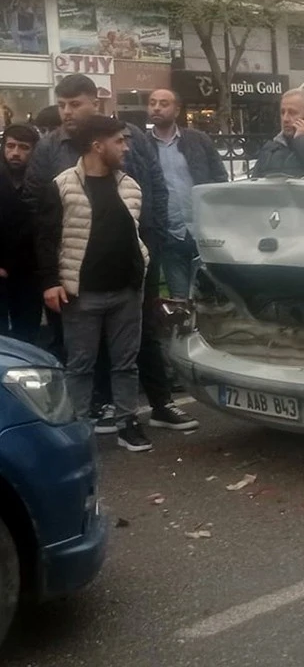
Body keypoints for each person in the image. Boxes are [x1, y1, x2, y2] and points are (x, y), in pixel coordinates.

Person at [25, 74, 193, 435]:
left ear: (95, 102)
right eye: (63, 104)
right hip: (77, 272)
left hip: (133, 262)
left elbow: (154, 190)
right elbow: (38, 211)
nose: (67, 112)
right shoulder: (51, 148)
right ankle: (91, 413)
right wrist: (51, 276)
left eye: (76, 104)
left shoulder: (130, 137)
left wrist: (152, 244)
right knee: (82, 352)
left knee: (139, 339)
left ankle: (159, 404)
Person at [34, 116, 152, 452]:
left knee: (126, 364)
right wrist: (50, 282)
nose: (126, 147)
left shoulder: (130, 185)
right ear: (98, 145)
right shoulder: (62, 186)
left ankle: (128, 424)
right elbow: (46, 239)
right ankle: (78, 431)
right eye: (119, 141)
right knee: (81, 366)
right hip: (81, 294)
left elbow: (139, 232)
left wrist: (143, 267)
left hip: (127, 291)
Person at [148, 88, 228, 300]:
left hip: (204, 233)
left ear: (176, 110)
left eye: (164, 104)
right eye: (152, 102)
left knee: (214, 297)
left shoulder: (198, 140)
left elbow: (220, 180)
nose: (156, 107)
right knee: (180, 300)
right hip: (170, 235)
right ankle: (185, 333)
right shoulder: (142, 145)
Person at [0, 124, 42, 344]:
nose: (15, 153)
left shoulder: (41, 182)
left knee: (27, 335)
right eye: (10, 146)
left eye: (24, 147)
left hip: (29, 271)